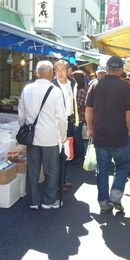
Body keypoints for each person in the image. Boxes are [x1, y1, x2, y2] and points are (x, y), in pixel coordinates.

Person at [85, 56, 130, 213]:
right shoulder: (125, 87)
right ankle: (115, 198)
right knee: (121, 166)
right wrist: (127, 129)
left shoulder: (95, 85)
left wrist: (90, 128)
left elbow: (89, 110)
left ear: (106, 68)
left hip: (100, 134)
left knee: (102, 169)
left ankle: (103, 202)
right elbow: (129, 112)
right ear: (121, 71)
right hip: (120, 134)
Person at [18, 61, 67, 210]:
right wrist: (63, 135)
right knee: (51, 170)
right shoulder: (56, 91)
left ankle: (33, 201)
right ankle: (48, 201)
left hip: (32, 137)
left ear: (36, 73)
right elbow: (61, 118)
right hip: (50, 137)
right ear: (51, 73)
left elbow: (21, 114)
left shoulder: (27, 89)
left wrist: (23, 128)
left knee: (33, 170)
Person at [52, 60, 79, 190]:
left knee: (66, 151)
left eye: (63, 69)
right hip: (56, 121)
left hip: (69, 120)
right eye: (57, 69)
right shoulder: (52, 85)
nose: (60, 72)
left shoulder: (72, 83)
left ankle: (62, 180)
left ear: (68, 71)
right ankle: (56, 183)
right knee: (57, 153)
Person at [72, 71, 87, 164]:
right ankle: (79, 155)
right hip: (78, 118)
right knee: (77, 137)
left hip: (79, 119)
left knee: (77, 137)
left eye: (74, 78)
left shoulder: (81, 91)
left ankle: (81, 155)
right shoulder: (80, 89)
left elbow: (78, 105)